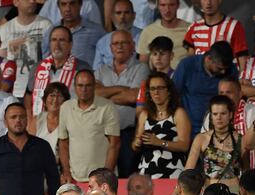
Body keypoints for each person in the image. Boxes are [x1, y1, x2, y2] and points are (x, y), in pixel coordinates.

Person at [0, 102, 60, 195]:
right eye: (13, 117)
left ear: (27, 119)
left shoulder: (42, 146)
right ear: (5, 122)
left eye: (21, 116)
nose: (18, 120)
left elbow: (53, 178)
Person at [95, 29, 149, 178]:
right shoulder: (101, 70)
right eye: (116, 43)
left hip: (128, 134)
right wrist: (122, 89)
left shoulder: (141, 68)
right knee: (105, 176)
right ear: (110, 48)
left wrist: (106, 94)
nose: (119, 46)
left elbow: (134, 96)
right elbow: (94, 95)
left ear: (133, 46)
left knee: (126, 177)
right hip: (104, 134)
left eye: (124, 43)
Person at [58, 69, 120, 183]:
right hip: (74, 177)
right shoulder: (65, 108)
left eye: (88, 85)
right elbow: (63, 143)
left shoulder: (107, 107)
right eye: (80, 85)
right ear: (74, 86)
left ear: (94, 86)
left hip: (101, 178)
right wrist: (66, 171)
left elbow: (114, 144)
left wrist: (106, 175)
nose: (84, 90)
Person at [25, 25, 91, 120]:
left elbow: (90, 96)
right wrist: (30, 119)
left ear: (70, 45)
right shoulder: (37, 67)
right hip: (40, 124)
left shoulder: (82, 68)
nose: (57, 45)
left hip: (71, 122)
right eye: (54, 40)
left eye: (62, 40)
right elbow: (28, 94)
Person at [172, 40, 237, 137]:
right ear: (208, 59)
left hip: (220, 128)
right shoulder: (187, 65)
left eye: (225, 69)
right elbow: (173, 94)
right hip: (189, 128)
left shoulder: (231, 69)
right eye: (219, 68)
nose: (223, 72)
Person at [185, 95, 247, 193]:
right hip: (209, 194)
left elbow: (246, 171)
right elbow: (188, 172)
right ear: (211, 116)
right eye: (215, 114)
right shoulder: (201, 139)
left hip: (234, 192)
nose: (219, 118)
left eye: (223, 113)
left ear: (230, 115)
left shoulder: (240, 140)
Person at [133, 72, 190, 179]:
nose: (156, 92)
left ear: (168, 91)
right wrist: (137, 143)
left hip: (172, 170)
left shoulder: (178, 113)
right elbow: (135, 144)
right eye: (152, 89)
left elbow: (184, 146)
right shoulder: (144, 115)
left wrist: (160, 143)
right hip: (147, 171)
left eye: (160, 88)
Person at [0, 0, 53, 98]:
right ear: (16, 2)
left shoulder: (46, 25)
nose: (32, 1)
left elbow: (50, 57)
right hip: (13, 89)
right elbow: (2, 59)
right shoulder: (5, 28)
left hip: (39, 88)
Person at [183, 0, 248, 71]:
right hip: (201, 79)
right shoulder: (193, 27)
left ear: (220, 1)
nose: (208, 3)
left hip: (225, 78)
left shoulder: (234, 26)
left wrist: (242, 77)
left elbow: (242, 57)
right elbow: (190, 59)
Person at [41, 0, 106, 67]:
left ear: (80, 4)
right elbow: (44, 60)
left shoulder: (96, 31)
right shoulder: (51, 31)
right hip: (58, 76)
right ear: (58, 6)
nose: (68, 9)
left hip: (86, 75)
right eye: (63, 4)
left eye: (72, 4)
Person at [136, 0, 190, 69]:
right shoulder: (148, 31)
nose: (167, 10)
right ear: (158, 6)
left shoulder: (190, 29)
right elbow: (142, 66)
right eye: (163, 5)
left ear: (178, 5)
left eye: (171, 5)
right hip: (156, 78)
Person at [93, 0, 142, 70]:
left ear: (134, 16)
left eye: (126, 13)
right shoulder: (102, 42)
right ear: (112, 17)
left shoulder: (143, 36)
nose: (122, 17)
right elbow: (97, 71)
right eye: (118, 13)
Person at [35, 81, 69, 159]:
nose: (55, 100)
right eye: (52, 95)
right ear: (45, 99)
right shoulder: (37, 120)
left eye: (59, 96)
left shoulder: (69, 121)